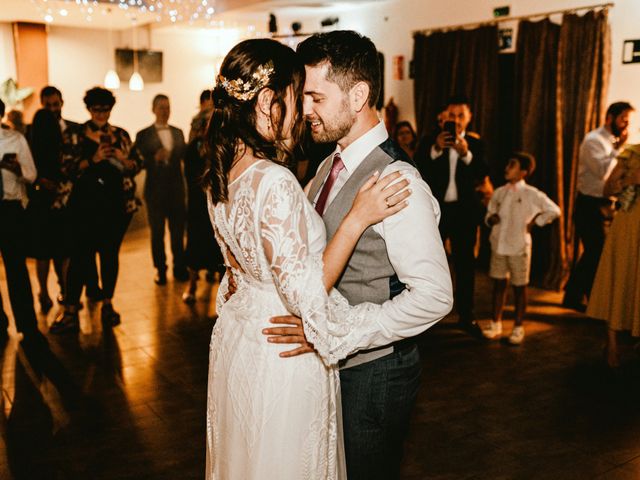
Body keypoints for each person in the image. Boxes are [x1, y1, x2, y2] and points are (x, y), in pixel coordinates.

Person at [205, 38, 416, 479]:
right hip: (283, 350)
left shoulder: (221, 174)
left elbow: (235, 273)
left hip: (243, 338)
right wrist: (357, 218)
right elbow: (307, 290)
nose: (301, 110)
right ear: (267, 101)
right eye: (295, 95)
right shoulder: (273, 179)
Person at [266, 31, 453, 479]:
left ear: (359, 95)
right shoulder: (329, 163)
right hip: (337, 368)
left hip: (376, 375)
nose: (305, 109)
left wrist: (343, 331)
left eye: (315, 96)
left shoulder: (396, 179)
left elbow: (434, 295)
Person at [50, 87, 143, 333]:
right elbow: (65, 167)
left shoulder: (120, 134)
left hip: (115, 206)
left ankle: (108, 305)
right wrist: (93, 159)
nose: (101, 114)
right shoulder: (75, 134)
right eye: (96, 109)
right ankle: (70, 309)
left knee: (110, 255)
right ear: (89, 109)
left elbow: (137, 164)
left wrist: (124, 159)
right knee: (80, 256)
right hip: (83, 205)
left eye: (106, 109)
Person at [418, 95, 489, 336]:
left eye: (461, 115)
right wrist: (437, 149)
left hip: (464, 213)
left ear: (469, 119)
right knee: (428, 263)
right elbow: (417, 170)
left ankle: (466, 315)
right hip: (434, 213)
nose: (456, 120)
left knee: (465, 265)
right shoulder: (430, 141)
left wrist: (467, 154)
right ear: (443, 117)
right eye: (452, 115)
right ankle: (424, 315)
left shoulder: (475, 144)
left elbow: (483, 172)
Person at [482, 152, 560, 345]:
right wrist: (490, 218)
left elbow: (554, 210)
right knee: (498, 285)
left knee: (519, 287)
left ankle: (518, 326)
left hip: (519, 247)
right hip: (498, 244)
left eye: (512, 164)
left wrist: (536, 220)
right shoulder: (500, 191)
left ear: (524, 172)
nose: (507, 168)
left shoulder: (531, 194)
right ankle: (495, 323)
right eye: (508, 163)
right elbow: (491, 211)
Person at [563, 102, 635, 312]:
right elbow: (604, 173)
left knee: (595, 252)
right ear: (610, 118)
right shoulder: (593, 140)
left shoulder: (612, 142)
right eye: (623, 118)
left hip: (605, 205)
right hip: (589, 204)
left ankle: (575, 296)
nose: (627, 124)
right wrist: (620, 150)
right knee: (597, 251)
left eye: (628, 120)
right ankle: (589, 299)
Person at [39, 85, 102, 303]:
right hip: (52, 195)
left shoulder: (76, 128)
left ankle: (92, 286)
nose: (53, 109)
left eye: (55, 104)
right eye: (48, 105)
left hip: (80, 193)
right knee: (61, 247)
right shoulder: (36, 130)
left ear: (62, 103)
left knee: (87, 241)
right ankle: (65, 289)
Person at [587, 143, 640, 368]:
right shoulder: (632, 153)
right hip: (629, 223)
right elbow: (608, 189)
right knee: (620, 277)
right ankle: (612, 344)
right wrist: (630, 181)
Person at [134, 94, 188, 285]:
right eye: (161, 107)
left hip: (176, 190)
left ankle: (179, 267)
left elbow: (186, 159)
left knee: (177, 232)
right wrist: (153, 160)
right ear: (153, 109)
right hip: (154, 192)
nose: (165, 111)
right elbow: (137, 163)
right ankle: (160, 270)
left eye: (167, 107)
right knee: (157, 234)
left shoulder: (178, 132)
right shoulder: (143, 135)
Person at [0, 98, 39, 340]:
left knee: (16, 268)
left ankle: (27, 325)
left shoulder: (15, 139)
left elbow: (32, 175)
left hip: (9, 209)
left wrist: (15, 170)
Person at [27, 108, 70, 313]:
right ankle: (66, 290)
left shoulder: (30, 146)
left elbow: (26, 176)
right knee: (62, 251)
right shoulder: (60, 146)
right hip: (59, 203)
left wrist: (38, 182)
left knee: (43, 253)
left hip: (39, 204)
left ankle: (43, 293)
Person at [182, 91, 223, 304]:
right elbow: (189, 172)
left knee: (218, 243)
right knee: (195, 242)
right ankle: (191, 284)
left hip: (216, 198)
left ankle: (220, 288)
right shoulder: (193, 147)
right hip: (198, 200)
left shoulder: (219, 144)